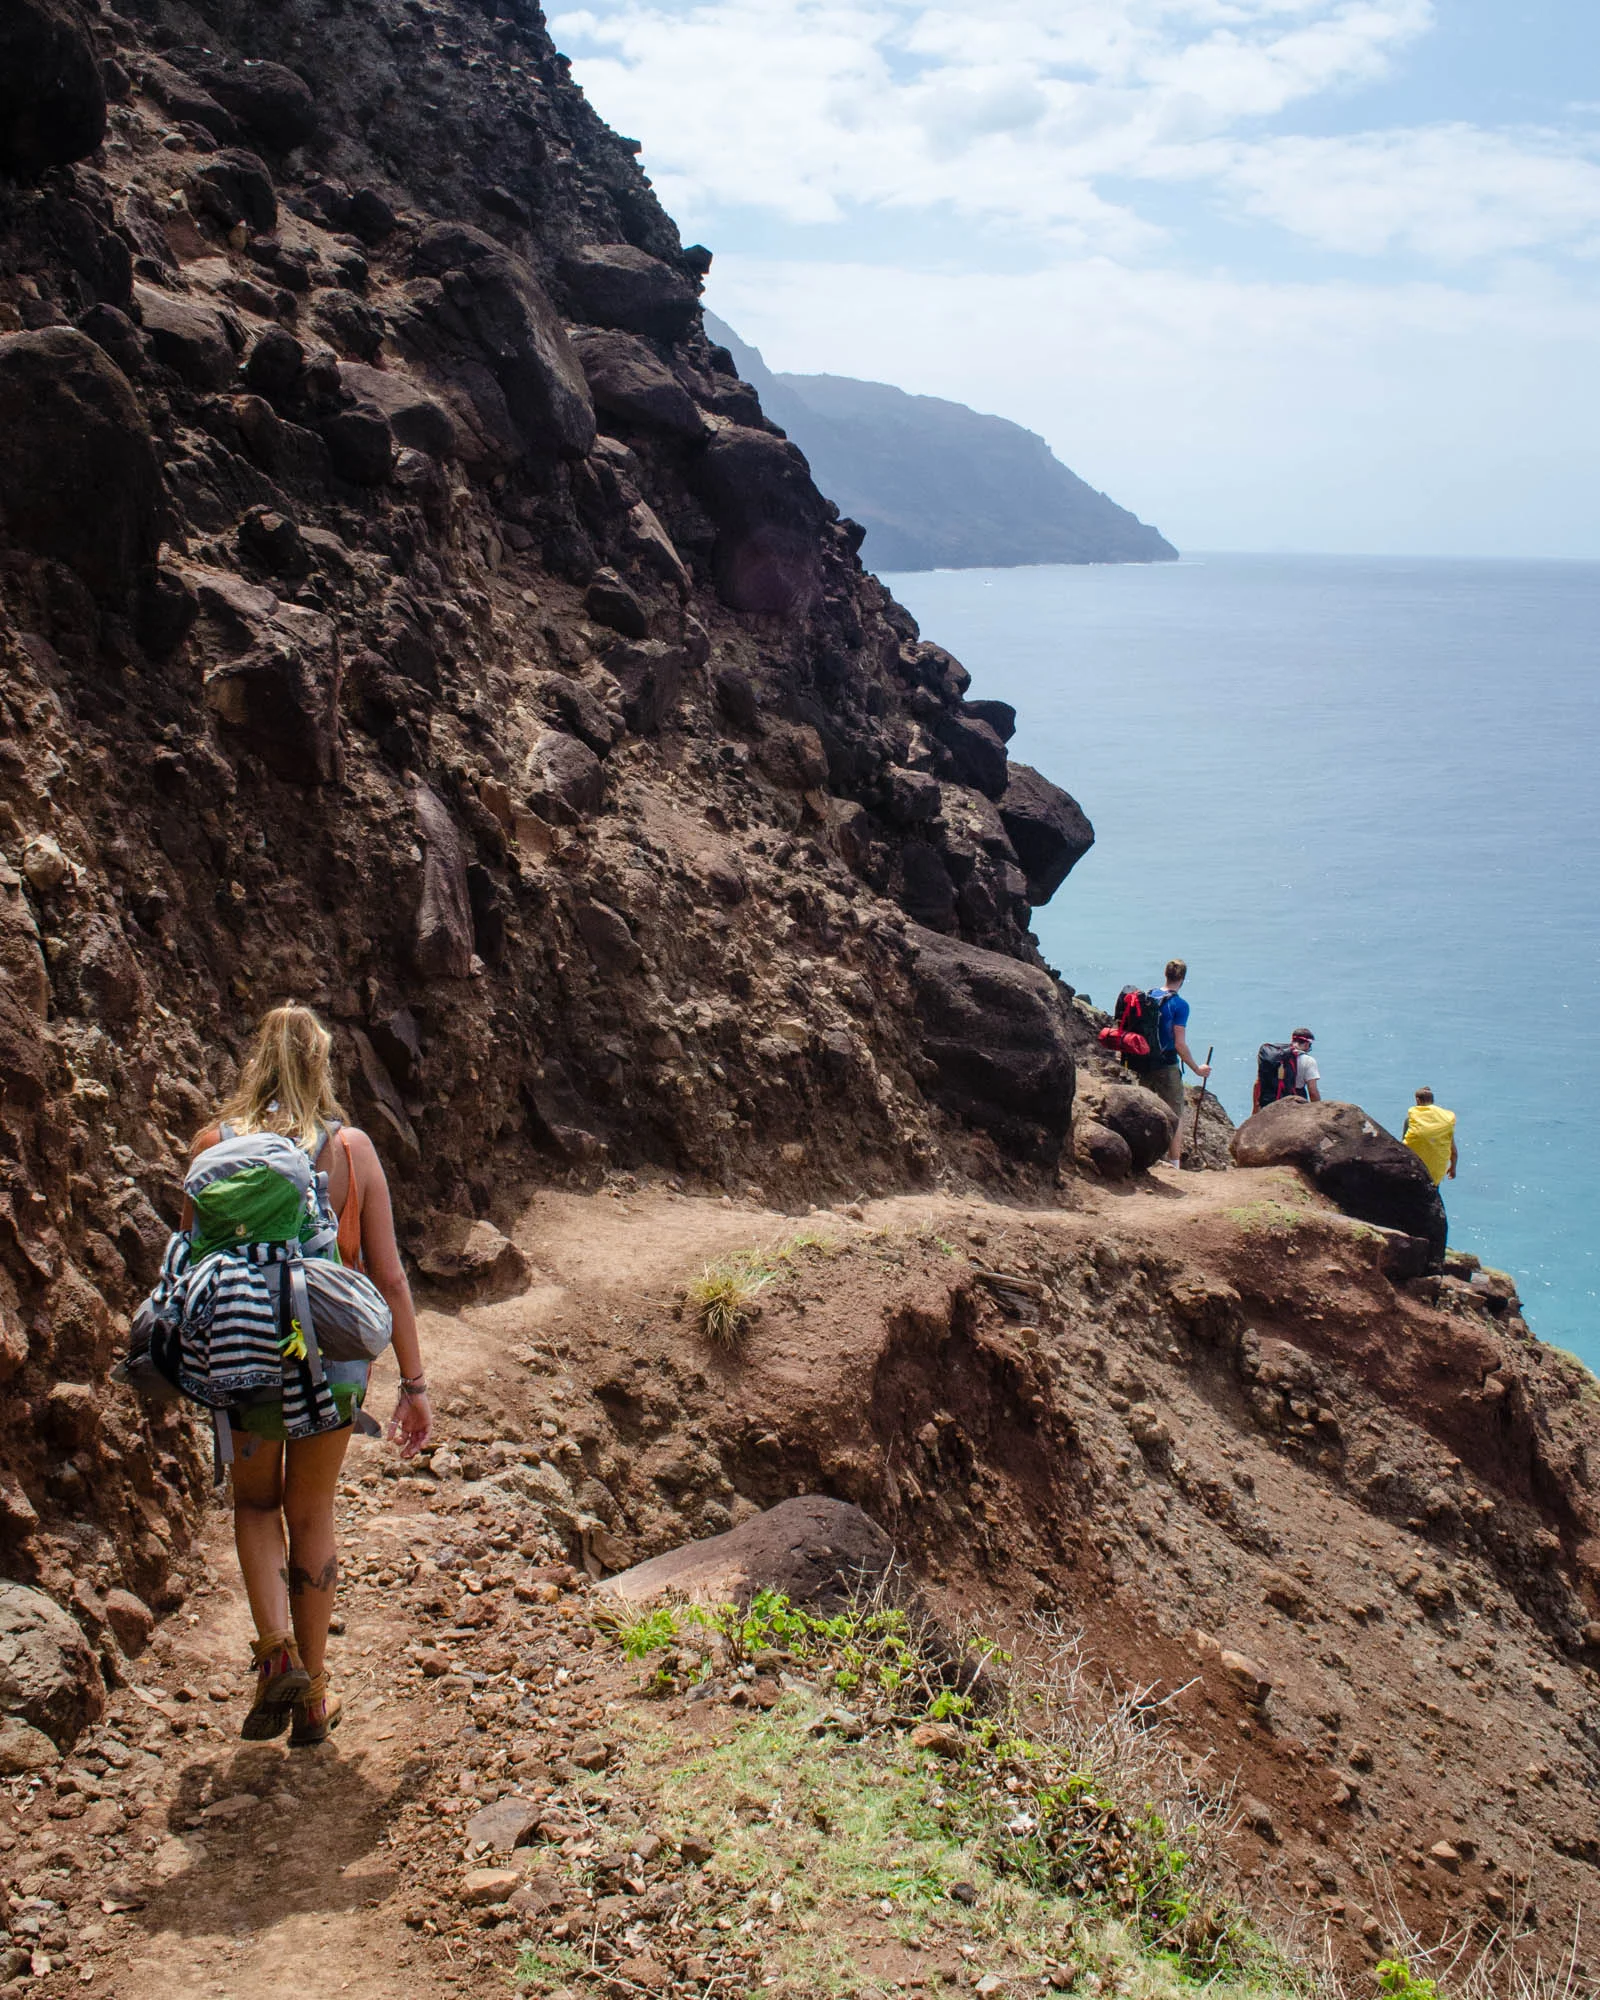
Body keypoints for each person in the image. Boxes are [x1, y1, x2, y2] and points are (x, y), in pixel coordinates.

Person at [186, 1005, 433, 1747]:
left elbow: (190, 1258)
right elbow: (387, 1274)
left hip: (242, 1350)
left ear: (255, 1060)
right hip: (333, 1359)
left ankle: (273, 1658)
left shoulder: (212, 1145)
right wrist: (415, 1386)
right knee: (313, 1513)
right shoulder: (350, 1148)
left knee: (256, 1506)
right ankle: (315, 1699)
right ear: (322, 1064)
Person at [1137, 959, 1211, 1169]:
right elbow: (1179, 1044)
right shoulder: (1180, 1005)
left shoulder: (1148, 995)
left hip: (1143, 1061)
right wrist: (1198, 1069)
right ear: (1183, 979)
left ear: (1165, 974)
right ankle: (1174, 1163)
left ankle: (1146, 1157)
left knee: (1147, 1109)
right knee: (1174, 1113)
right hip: (1166, 1064)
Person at [1253, 1028, 1320, 1110]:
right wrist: (1317, 1110)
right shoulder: (1309, 1061)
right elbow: (1312, 1091)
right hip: (1295, 1104)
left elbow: (1258, 1083)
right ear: (1307, 1044)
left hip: (1270, 1102)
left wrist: (1255, 1107)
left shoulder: (1275, 1057)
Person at [1402, 1086, 1458, 1185]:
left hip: (1415, 1169)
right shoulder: (1445, 1121)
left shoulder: (1412, 1119)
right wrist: (1453, 1168)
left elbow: (1403, 1146)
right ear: (1433, 1101)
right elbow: (1453, 1151)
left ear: (1417, 1100)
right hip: (1436, 1171)